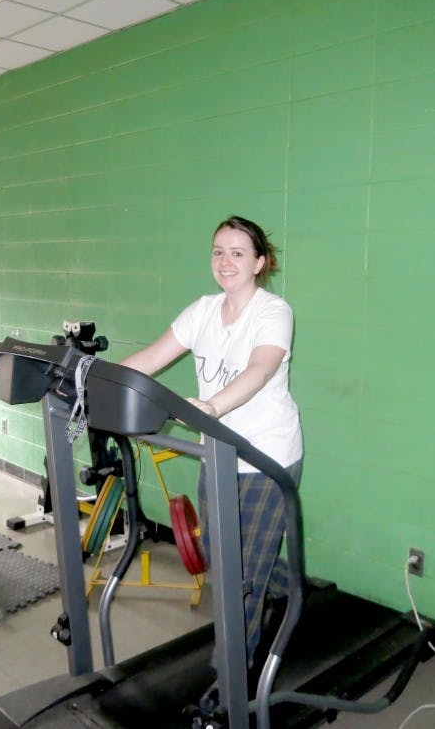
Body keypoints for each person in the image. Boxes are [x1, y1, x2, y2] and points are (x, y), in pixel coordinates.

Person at [119, 215, 304, 673]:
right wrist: (96, 382)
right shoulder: (203, 310)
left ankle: (229, 682)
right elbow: (151, 357)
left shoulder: (273, 312)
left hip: (266, 457)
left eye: (238, 253)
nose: (225, 262)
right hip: (217, 457)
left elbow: (260, 368)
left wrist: (212, 407)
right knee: (226, 562)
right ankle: (291, 586)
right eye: (219, 252)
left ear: (259, 263)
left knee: (238, 580)